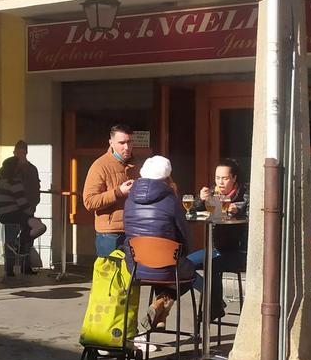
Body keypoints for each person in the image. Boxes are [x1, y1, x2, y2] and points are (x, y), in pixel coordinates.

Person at [123, 155, 195, 332]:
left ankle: (160, 314)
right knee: (188, 273)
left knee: (159, 267)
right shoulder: (171, 200)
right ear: (167, 178)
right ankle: (161, 303)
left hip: (136, 267)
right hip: (166, 266)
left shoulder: (129, 199)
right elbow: (184, 236)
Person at [187, 158, 249, 321]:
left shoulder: (245, 194)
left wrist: (239, 210)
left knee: (213, 264)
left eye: (225, 178)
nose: (220, 182)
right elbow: (191, 213)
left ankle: (212, 308)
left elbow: (254, 216)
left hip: (239, 251)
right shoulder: (213, 194)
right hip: (216, 249)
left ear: (234, 178)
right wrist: (200, 199)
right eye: (217, 178)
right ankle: (215, 300)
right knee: (183, 264)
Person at [0, 145, 45, 278]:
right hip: (17, 212)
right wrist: (29, 213)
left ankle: (16, 267)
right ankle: (15, 257)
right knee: (35, 229)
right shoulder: (14, 180)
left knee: (18, 236)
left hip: (6, 213)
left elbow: (33, 189)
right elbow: (21, 199)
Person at [83, 124, 136, 257]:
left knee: (132, 277)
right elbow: (89, 201)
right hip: (110, 235)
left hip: (134, 230)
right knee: (111, 276)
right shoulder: (100, 166)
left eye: (129, 142)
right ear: (111, 143)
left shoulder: (137, 164)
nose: (127, 147)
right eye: (122, 143)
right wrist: (118, 192)